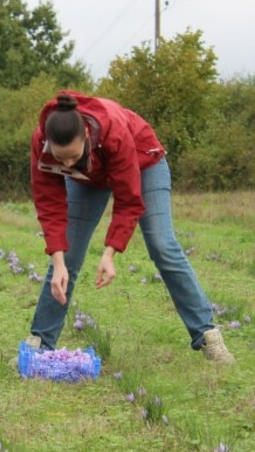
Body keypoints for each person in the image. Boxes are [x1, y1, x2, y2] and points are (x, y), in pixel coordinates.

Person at [26, 91, 234, 362]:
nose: (66, 164)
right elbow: (48, 202)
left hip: (144, 163)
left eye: (72, 156)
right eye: (60, 157)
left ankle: (207, 335)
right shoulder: (41, 142)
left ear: (87, 136)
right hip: (88, 178)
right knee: (67, 256)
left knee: (162, 244)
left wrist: (110, 252)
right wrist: (58, 259)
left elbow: (128, 200)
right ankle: (41, 344)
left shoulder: (114, 131)